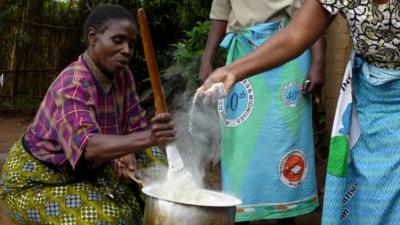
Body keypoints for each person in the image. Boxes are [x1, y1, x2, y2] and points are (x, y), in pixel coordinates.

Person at [199, 0, 400, 224]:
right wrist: (232, 71)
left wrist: (317, 62)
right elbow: (297, 34)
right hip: (372, 100)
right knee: (371, 198)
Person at [0, 4, 176, 225]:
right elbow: (88, 147)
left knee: (153, 164)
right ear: (93, 37)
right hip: (39, 181)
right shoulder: (72, 85)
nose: (127, 51)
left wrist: (128, 153)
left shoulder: (123, 75)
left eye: (131, 44)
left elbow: (133, 126)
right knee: (108, 220)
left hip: (90, 170)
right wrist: (148, 137)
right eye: (118, 40)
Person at [199, 1, 325, 224]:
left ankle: (285, 217)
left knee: (284, 139)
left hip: (289, 54)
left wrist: (318, 61)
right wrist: (207, 58)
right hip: (242, 55)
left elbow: (311, 16)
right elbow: (221, 11)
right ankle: (240, 214)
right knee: (239, 144)